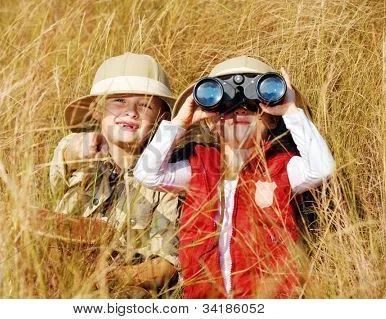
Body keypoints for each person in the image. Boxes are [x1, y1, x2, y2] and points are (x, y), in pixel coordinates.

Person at [134, 56, 335, 298]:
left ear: (271, 119)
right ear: (210, 123)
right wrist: (180, 122)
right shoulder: (199, 166)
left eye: (252, 106)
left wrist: (291, 110)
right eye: (226, 108)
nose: (238, 111)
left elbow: (322, 168)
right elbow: (147, 174)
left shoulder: (281, 168)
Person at [49, 52, 179, 297]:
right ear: (97, 110)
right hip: (55, 269)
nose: (131, 112)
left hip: (119, 284)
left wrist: (104, 277)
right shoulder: (77, 149)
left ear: (160, 119)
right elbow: (59, 170)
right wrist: (75, 152)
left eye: (145, 105)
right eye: (119, 100)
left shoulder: (166, 179)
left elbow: (167, 264)